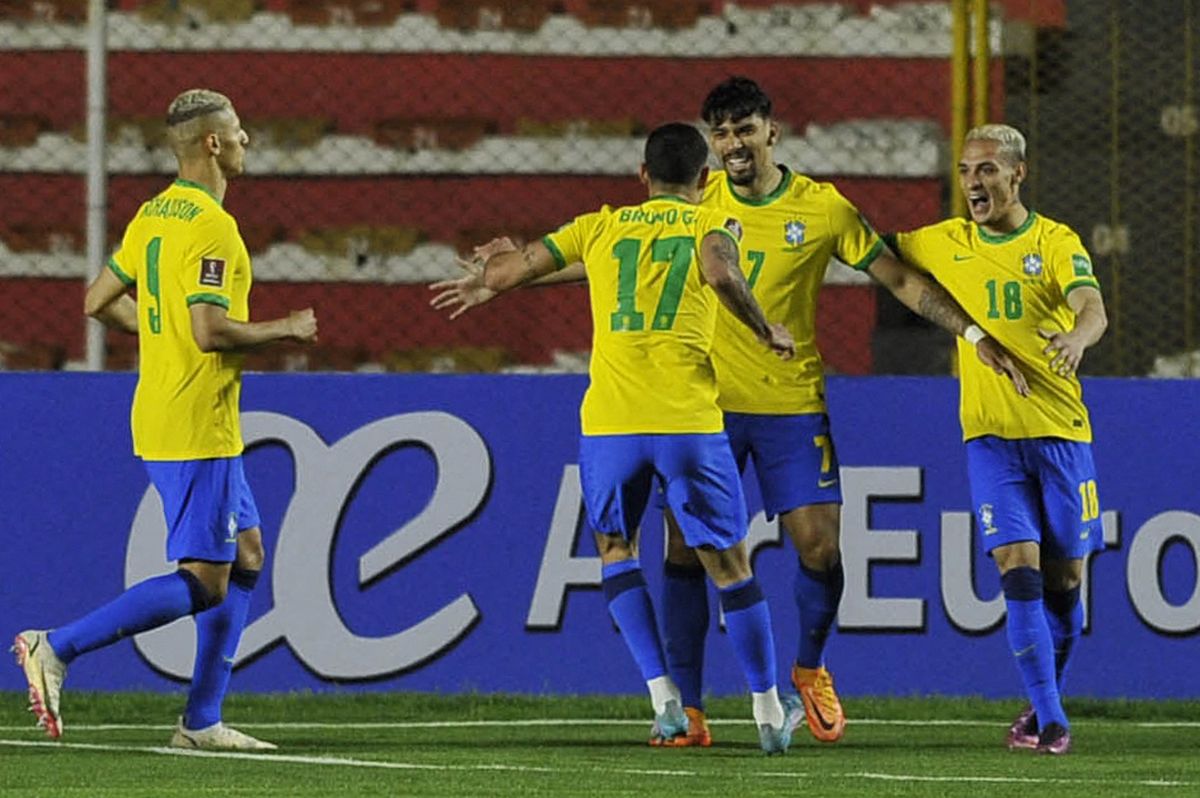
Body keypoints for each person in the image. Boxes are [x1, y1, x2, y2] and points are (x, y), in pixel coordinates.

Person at [432, 76, 1026, 748]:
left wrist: (973, 335)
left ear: (771, 131)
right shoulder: (699, 198)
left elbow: (898, 278)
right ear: (708, 147)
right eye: (721, 132)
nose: (734, 144)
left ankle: (809, 669)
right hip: (704, 405)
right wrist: (510, 274)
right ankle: (690, 710)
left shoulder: (822, 208)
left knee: (821, 548)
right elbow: (622, 261)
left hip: (789, 405)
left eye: (745, 129)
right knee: (686, 556)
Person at [477, 121, 806, 753]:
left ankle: (665, 702)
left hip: (612, 423)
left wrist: (500, 257)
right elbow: (718, 272)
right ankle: (768, 711)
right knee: (730, 565)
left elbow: (501, 278)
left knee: (615, 550)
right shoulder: (713, 222)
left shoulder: (596, 226)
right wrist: (764, 329)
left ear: (641, 175)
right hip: (686, 419)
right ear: (704, 180)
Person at [12, 88, 318, 750]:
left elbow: (98, 300)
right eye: (238, 131)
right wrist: (285, 328)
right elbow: (210, 333)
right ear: (212, 143)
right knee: (206, 582)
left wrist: (157, 340)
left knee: (245, 553)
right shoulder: (212, 227)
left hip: (167, 406)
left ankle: (201, 721)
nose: (247, 141)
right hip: (193, 417)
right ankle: (55, 646)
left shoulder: (154, 215)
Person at [886, 123, 1107, 755]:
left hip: (1060, 433)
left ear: (1018, 175)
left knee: (1066, 583)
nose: (973, 183)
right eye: (964, 170)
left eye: (986, 170)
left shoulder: (1054, 241)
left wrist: (1077, 337)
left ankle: (1041, 709)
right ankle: (1052, 721)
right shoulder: (942, 242)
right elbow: (872, 252)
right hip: (989, 440)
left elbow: (1092, 304)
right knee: (1018, 569)